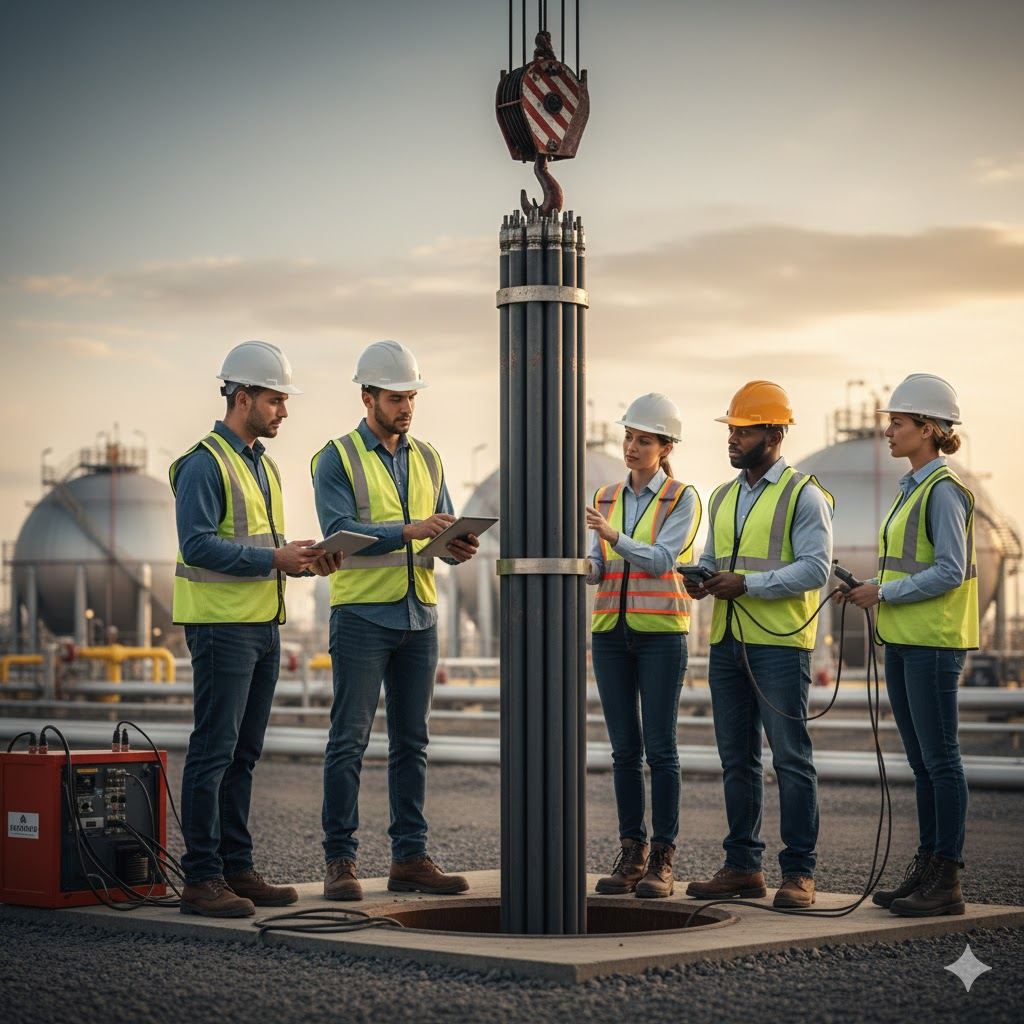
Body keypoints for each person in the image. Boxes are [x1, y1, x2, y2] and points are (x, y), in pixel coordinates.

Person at [171, 341, 341, 918]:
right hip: (220, 627)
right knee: (213, 750)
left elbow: (256, 543)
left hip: (262, 624)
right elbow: (197, 544)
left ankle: (236, 868)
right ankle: (200, 878)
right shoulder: (203, 463)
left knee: (243, 754)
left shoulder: (262, 465)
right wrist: (273, 560)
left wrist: (299, 556)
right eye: (275, 401)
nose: (284, 413)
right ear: (241, 397)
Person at [312, 340, 479, 901]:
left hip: (419, 613)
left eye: (411, 396)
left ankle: (410, 857)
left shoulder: (429, 457)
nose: (406, 406)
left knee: (413, 742)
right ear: (368, 397)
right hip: (362, 614)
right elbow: (338, 530)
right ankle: (341, 860)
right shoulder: (335, 458)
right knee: (349, 740)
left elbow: (440, 527)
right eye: (396, 397)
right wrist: (408, 530)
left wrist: (454, 544)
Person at [683, 381, 834, 909]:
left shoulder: (803, 494)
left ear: (774, 433)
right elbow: (717, 559)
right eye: (731, 429)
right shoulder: (723, 496)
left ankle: (799, 873)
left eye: (744, 430)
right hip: (727, 642)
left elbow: (816, 568)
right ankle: (743, 866)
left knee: (790, 759)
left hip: (778, 644)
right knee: (737, 760)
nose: (733, 439)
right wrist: (701, 581)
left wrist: (748, 584)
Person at [835, 373, 977, 917]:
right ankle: (927, 865)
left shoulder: (944, 491)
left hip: (933, 644)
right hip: (902, 640)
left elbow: (949, 569)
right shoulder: (912, 488)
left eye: (897, 423)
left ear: (929, 428)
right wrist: (873, 591)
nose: (888, 432)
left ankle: (948, 878)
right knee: (921, 762)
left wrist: (884, 591)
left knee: (942, 761)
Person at [585, 394, 701, 899]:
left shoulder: (682, 498)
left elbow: (660, 560)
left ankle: (663, 858)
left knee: (661, 749)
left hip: (661, 635)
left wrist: (612, 537)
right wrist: (570, 564)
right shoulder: (606, 495)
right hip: (610, 633)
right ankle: (631, 853)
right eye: (629, 437)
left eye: (644, 440)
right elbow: (597, 568)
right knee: (623, 751)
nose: (632, 447)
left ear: (665, 446)